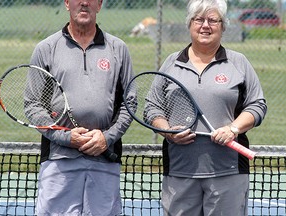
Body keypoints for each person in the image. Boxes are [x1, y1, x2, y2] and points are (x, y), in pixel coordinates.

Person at [144, 0, 267, 215]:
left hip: (228, 172)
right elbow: (152, 107)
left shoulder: (238, 63)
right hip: (179, 171)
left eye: (213, 20)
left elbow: (257, 105)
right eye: (199, 19)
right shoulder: (172, 63)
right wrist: (168, 131)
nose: (205, 26)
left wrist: (233, 129)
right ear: (190, 24)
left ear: (223, 26)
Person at [28, 0, 134, 215]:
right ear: (67, 3)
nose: (84, 2)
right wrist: (65, 138)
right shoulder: (46, 49)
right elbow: (33, 105)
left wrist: (107, 138)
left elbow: (128, 104)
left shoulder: (118, 49)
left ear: (100, 4)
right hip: (59, 161)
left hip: (105, 158)